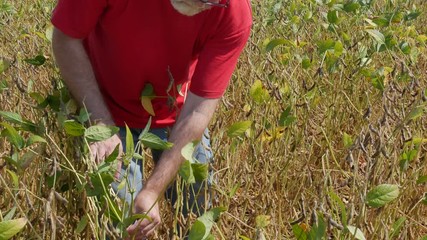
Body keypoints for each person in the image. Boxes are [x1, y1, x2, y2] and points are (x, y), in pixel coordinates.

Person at [51, 0, 252, 238]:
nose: (205, 5)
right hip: (103, 104)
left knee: (199, 212)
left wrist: (152, 191)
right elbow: (65, 38)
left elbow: (198, 111)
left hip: (177, 113)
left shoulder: (231, 10)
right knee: (123, 221)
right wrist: (101, 126)